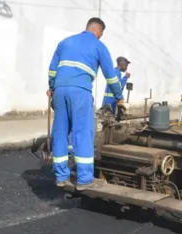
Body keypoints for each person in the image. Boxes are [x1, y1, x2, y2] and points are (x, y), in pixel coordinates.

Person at [48, 17, 126, 191]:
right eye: (101, 33)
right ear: (98, 31)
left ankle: (61, 176)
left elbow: (52, 69)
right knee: (82, 132)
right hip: (80, 92)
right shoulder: (99, 46)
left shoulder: (65, 42)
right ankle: (84, 179)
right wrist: (119, 98)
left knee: (60, 132)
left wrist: (52, 88)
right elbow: (111, 76)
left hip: (60, 90)